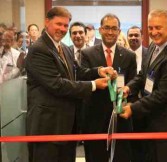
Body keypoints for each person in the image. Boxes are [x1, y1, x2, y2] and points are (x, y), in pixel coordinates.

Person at [25, 7, 116, 162]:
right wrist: (93, 85)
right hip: (48, 128)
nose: (62, 29)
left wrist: (99, 71)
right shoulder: (38, 49)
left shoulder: (64, 48)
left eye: (66, 26)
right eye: (59, 24)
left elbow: (77, 72)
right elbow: (57, 85)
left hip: (66, 126)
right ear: (47, 22)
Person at [120, 9, 167, 162]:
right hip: (152, 121)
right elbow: (143, 75)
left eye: (158, 27)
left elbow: (162, 95)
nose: (154, 32)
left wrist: (132, 108)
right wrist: (129, 87)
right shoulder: (153, 46)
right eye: (150, 28)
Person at [81, 13, 137, 162]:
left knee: (121, 157)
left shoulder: (129, 56)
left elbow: (134, 83)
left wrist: (128, 96)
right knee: (95, 157)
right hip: (94, 119)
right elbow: (83, 77)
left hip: (121, 118)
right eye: (106, 28)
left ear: (119, 31)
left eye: (114, 28)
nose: (110, 32)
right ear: (100, 30)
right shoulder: (87, 53)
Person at [126, 25, 148, 162]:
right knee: (130, 141)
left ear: (142, 37)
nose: (133, 38)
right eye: (131, 35)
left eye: (136, 35)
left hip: (149, 103)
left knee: (146, 143)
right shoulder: (123, 55)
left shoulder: (150, 53)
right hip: (129, 103)